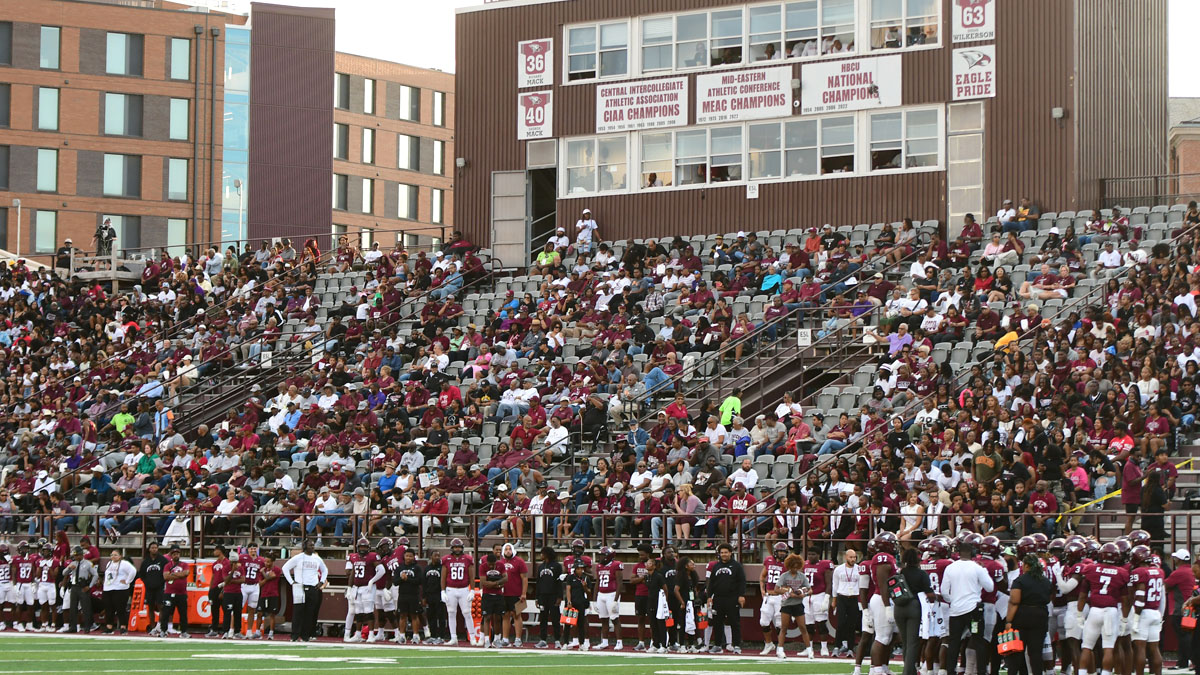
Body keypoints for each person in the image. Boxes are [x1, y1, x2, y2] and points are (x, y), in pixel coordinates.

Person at [940, 538, 994, 675]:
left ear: (958, 553)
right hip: (973, 610)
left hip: (956, 611)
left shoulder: (950, 567)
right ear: (973, 553)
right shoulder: (977, 568)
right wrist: (984, 572)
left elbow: (944, 591)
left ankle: (950, 670)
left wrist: (953, 600)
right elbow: (990, 587)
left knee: (954, 642)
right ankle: (981, 671)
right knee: (978, 641)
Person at [1078, 543, 1129, 675]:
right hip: (1111, 612)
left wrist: (1079, 614)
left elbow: (1083, 595)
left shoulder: (1091, 569)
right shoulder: (1121, 573)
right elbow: (1124, 600)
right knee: (1108, 648)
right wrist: (1124, 618)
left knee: (1087, 647)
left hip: (1095, 611)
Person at [1004, 553, 1054, 675]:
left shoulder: (1020, 580)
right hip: (1040, 617)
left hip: (1022, 617)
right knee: (1036, 654)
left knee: (1015, 653)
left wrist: (1008, 621)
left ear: (1026, 565)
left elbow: (1014, 601)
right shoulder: (1046, 581)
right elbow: (1049, 598)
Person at [281, 539, 329, 642]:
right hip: (299, 587)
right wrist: (291, 582)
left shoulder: (317, 558)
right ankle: (294, 636)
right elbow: (285, 568)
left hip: (313, 587)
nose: (312, 547)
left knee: (310, 612)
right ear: (304, 546)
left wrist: (321, 581)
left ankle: (305, 636)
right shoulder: (298, 558)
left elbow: (325, 570)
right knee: (298, 612)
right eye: (310, 545)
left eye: (313, 545)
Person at [897, 547, 935, 675]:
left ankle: (909, 669)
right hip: (913, 605)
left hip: (899, 606)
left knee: (905, 641)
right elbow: (929, 594)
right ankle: (908, 672)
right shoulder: (921, 574)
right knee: (913, 642)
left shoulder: (900, 572)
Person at [1129, 545, 1165, 675]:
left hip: (1143, 612)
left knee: (1140, 648)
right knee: (1154, 648)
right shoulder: (1159, 571)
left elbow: (1140, 597)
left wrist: (1136, 619)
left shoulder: (1139, 572)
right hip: (1155, 612)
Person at [706, 543, 746, 654]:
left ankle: (737, 645)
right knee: (717, 623)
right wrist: (709, 596)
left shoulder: (737, 566)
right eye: (722, 552)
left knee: (734, 622)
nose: (724, 554)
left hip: (732, 598)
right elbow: (712, 583)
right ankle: (718, 645)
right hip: (718, 599)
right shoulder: (716, 566)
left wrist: (741, 595)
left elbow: (742, 581)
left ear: (730, 553)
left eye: (726, 552)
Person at [774, 552, 813, 660]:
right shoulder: (784, 576)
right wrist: (788, 592)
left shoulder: (802, 576)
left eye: (797, 567)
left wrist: (803, 593)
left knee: (803, 627)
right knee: (784, 628)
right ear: (789, 566)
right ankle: (780, 649)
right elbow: (776, 589)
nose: (795, 569)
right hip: (786, 604)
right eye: (793, 567)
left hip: (798, 604)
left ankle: (809, 650)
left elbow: (810, 589)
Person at [441, 538, 479, 646]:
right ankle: (453, 637)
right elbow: (443, 577)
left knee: (467, 613)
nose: (457, 549)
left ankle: (472, 637)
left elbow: (472, 576)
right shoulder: (446, 559)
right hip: (450, 589)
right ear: (452, 548)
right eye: (455, 547)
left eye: (459, 547)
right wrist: (442, 591)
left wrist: (472, 590)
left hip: (464, 589)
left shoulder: (467, 559)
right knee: (451, 613)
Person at [62, 545, 97, 633]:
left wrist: (90, 586)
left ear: (81, 555)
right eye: (74, 556)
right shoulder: (73, 563)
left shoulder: (88, 563)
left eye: (77, 555)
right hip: (74, 586)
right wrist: (69, 568)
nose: (75, 557)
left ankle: (87, 627)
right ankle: (73, 627)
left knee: (85, 608)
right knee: (73, 608)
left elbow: (95, 575)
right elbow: (64, 573)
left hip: (83, 587)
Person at [833, 548, 861, 656]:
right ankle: (837, 646)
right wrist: (834, 600)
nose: (853, 559)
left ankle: (850, 648)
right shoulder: (839, 569)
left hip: (853, 598)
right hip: (842, 597)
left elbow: (861, 585)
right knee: (840, 623)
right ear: (846, 557)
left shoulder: (859, 569)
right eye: (851, 557)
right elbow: (835, 585)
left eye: (854, 557)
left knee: (852, 625)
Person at [101, 549, 136, 634]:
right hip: (108, 588)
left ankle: (123, 627)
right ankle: (109, 626)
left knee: (121, 609)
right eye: (112, 555)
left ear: (120, 556)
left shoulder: (125, 564)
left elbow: (133, 571)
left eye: (116, 555)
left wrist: (127, 581)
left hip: (120, 589)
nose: (113, 556)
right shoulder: (109, 563)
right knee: (109, 608)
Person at [534, 546, 563, 648]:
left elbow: (560, 582)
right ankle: (543, 639)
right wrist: (537, 597)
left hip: (553, 596)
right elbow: (538, 583)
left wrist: (560, 596)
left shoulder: (557, 566)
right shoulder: (541, 567)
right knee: (543, 619)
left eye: (542, 553)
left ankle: (557, 640)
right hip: (542, 596)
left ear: (547, 554)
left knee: (555, 619)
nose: (541, 555)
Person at [159, 545, 190, 638]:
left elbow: (186, 573)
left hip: (182, 593)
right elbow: (166, 577)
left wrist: (173, 574)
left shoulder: (184, 564)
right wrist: (179, 575)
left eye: (177, 554)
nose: (176, 555)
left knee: (183, 613)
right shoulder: (168, 565)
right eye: (174, 554)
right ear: (171, 555)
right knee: (166, 613)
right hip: (169, 592)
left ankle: (184, 631)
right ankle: (163, 630)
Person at [138, 542, 168, 636]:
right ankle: (152, 627)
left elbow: (167, 571)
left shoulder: (163, 560)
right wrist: (147, 583)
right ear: (149, 549)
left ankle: (160, 626)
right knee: (150, 607)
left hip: (160, 587)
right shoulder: (146, 561)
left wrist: (161, 582)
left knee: (161, 607)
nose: (154, 549)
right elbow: (141, 574)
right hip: (149, 588)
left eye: (156, 547)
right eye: (152, 547)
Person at [563, 558, 594, 650]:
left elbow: (589, 592)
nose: (581, 570)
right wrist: (569, 601)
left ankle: (581, 643)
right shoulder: (570, 577)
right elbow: (568, 589)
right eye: (579, 568)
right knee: (568, 624)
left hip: (581, 603)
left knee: (581, 624)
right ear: (575, 569)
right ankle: (565, 642)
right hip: (571, 603)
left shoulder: (585, 578)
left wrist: (585, 587)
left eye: (582, 568)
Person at [205, 545, 230, 638]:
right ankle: (214, 629)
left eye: (215, 550)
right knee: (214, 609)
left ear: (220, 551)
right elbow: (213, 576)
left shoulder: (227, 563)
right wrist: (210, 589)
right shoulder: (215, 563)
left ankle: (225, 630)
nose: (214, 552)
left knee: (225, 609)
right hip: (214, 588)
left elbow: (228, 578)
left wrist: (223, 591)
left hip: (223, 587)